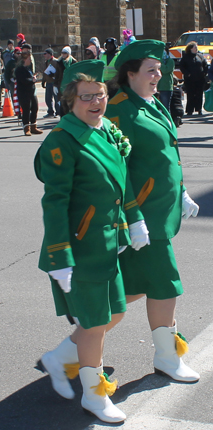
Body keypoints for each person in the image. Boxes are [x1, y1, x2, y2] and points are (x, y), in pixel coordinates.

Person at [35, 60, 136, 424]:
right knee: (94, 325)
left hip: (107, 243)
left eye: (100, 94)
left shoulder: (105, 129)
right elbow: (55, 203)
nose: (96, 102)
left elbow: (115, 187)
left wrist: (128, 225)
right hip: (80, 247)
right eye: (86, 97)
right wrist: (60, 256)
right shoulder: (62, 141)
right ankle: (94, 396)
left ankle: (62, 356)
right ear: (69, 101)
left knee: (117, 312)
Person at [106, 39, 200, 384]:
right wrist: (133, 218)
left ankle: (73, 349)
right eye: (150, 71)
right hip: (144, 217)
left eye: (159, 70)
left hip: (160, 211)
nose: (158, 76)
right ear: (130, 73)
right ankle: (167, 357)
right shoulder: (118, 110)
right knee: (166, 285)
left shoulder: (150, 103)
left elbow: (167, 154)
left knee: (133, 287)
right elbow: (117, 170)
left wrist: (183, 190)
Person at [15, 50, 42, 136]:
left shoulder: (28, 68)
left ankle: (33, 126)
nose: (30, 60)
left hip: (31, 91)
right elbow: (23, 80)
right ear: (24, 59)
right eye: (29, 59)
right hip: (23, 92)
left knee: (35, 108)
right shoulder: (19, 69)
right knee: (26, 109)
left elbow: (30, 78)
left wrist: (33, 78)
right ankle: (26, 128)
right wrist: (32, 80)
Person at [180, 41, 208, 116]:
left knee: (199, 94)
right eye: (195, 47)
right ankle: (189, 110)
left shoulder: (200, 55)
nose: (196, 48)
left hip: (200, 79)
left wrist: (204, 73)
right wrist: (187, 74)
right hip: (190, 79)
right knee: (191, 94)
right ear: (191, 48)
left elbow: (205, 65)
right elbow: (182, 67)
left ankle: (199, 109)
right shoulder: (186, 57)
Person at [41, 48, 61, 118]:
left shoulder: (55, 62)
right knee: (48, 98)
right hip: (48, 83)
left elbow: (59, 72)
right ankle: (50, 111)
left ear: (49, 54)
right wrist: (43, 81)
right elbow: (45, 72)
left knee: (56, 98)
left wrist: (54, 75)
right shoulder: (46, 62)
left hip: (54, 83)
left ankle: (58, 112)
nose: (44, 55)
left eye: (45, 54)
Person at [157, 43, 175, 112]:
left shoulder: (170, 61)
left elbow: (165, 70)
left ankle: (168, 121)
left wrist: (160, 63)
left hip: (166, 87)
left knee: (165, 107)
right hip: (157, 87)